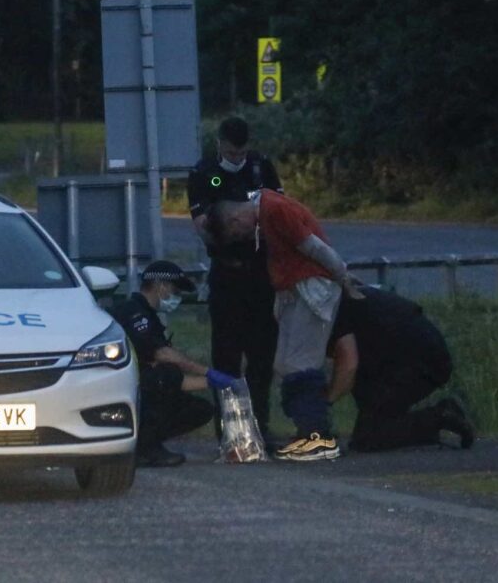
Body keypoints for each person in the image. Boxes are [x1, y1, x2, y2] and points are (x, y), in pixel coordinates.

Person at [209, 192, 363, 462]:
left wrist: (343, 278)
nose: (245, 237)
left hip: (310, 287)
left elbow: (314, 247)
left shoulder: (275, 211)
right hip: (297, 289)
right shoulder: (271, 209)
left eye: (238, 234)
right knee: (284, 363)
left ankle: (316, 434)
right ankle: (311, 429)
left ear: (235, 220)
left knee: (299, 364)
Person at [187, 117, 282, 438]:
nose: (237, 159)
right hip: (228, 275)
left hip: (260, 276)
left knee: (261, 358)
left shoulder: (260, 167)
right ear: (220, 145)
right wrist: (231, 227)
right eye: (231, 153)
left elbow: (278, 210)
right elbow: (202, 225)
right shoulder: (205, 173)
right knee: (226, 357)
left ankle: (261, 427)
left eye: (242, 153)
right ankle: (228, 431)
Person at [109, 260, 235, 467]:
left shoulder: (150, 317)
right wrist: (206, 371)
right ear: (161, 286)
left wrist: (215, 382)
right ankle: (146, 447)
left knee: (199, 409)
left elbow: (176, 380)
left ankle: (147, 443)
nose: (175, 297)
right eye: (175, 291)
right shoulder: (134, 313)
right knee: (164, 374)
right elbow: (162, 355)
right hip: (122, 387)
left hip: (139, 387)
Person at [327, 285, 475, 451]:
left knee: (368, 438)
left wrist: (323, 404)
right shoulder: (350, 297)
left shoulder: (335, 311)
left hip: (415, 362)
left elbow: (348, 367)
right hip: (419, 355)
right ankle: (426, 422)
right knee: (371, 426)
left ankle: (440, 416)